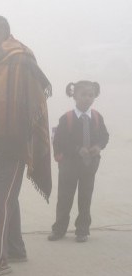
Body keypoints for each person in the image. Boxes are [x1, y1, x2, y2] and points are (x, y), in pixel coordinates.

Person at [0, 15, 52, 276]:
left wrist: (19, 138)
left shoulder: (20, 59)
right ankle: (16, 249)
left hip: (12, 143)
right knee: (6, 199)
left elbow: (32, 99)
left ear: (3, 32)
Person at [48, 81, 109, 243]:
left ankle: (82, 230)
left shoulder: (96, 117)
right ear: (74, 96)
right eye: (83, 95)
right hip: (69, 166)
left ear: (95, 96)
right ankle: (59, 229)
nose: (87, 98)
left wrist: (98, 146)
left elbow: (104, 136)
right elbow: (59, 141)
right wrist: (76, 149)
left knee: (85, 198)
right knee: (64, 198)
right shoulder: (66, 118)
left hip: (89, 166)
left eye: (91, 95)